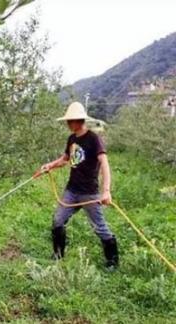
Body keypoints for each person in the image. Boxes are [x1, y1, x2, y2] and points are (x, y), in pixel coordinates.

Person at [36, 102, 119, 268]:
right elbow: (65, 159)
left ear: (78, 120)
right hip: (72, 191)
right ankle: (58, 255)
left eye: (69, 121)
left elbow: (105, 164)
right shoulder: (72, 138)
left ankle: (112, 262)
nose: (67, 124)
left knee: (100, 228)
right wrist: (49, 165)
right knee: (58, 220)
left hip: (89, 193)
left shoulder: (94, 139)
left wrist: (106, 191)